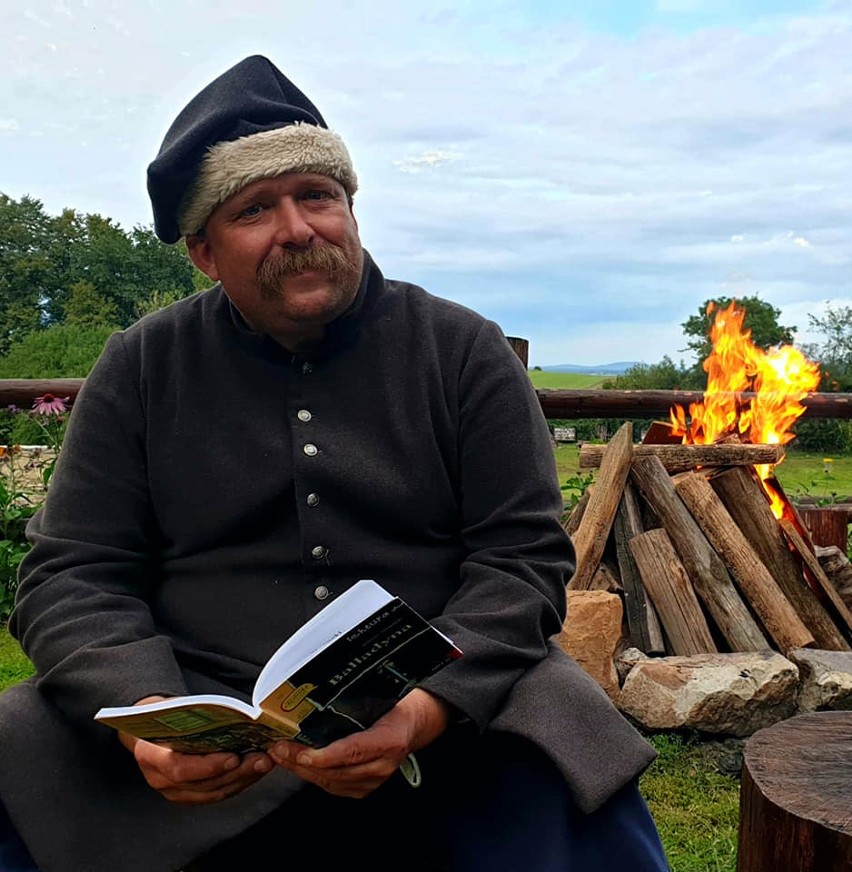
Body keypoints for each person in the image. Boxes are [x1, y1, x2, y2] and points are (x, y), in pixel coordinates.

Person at [0, 56, 669, 872]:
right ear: (205, 254)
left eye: (317, 196)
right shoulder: (143, 365)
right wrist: (150, 712)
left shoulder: (463, 350)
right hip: (202, 694)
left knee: (570, 768)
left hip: (443, 687)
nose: (297, 229)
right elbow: (72, 571)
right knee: (21, 763)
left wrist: (423, 712)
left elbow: (521, 561)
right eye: (254, 209)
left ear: (350, 208)